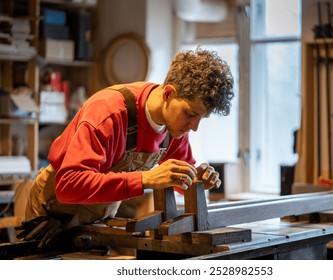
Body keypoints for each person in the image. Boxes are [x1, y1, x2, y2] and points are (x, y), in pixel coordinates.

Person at [17, 47, 235, 248]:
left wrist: (196, 179)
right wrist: (145, 179)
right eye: (191, 114)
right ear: (168, 94)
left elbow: (179, 183)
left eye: (202, 118)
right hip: (53, 212)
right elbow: (69, 185)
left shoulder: (175, 128)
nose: (194, 127)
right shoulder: (109, 112)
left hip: (97, 218)